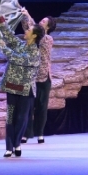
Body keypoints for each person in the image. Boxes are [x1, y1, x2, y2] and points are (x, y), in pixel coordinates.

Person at [0, 12, 44, 158]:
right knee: (10, 117)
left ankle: (17, 143)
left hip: (25, 90)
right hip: (12, 86)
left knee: (21, 119)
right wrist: (0, 20)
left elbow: (18, 59)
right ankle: (9, 147)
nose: (26, 31)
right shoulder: (20, 45)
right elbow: (9, 36)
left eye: (29, 30)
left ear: (34, 36)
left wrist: (3, 48)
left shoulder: (35, 53)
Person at [23, 12, 56, 144]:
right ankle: (26, 133)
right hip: (31, 75)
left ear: (48, 27)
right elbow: (26, 26)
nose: (40, 22)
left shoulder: (48, 39)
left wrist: (28, 15)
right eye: (41, 20)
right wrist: (23, 13)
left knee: (42, 107)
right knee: (28, 107)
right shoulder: (32, 34)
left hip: (43, 76)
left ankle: (40, 133)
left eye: (43, 21)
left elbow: (39, 36)